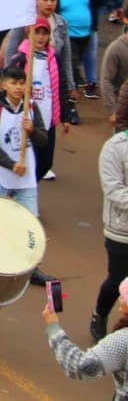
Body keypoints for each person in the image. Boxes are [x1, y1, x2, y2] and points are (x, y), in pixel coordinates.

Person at [0, 64, 48, 215]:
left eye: (22, 83)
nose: (18, 87)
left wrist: (32, 131)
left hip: (26, 174)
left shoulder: (31, 107)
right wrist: (11, 165)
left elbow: (43, 140)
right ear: (4, 85)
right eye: (13, 83)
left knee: (30, 220)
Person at [44, 281, 128, 398]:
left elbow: (82, 367)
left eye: (124, 296)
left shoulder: (122, 340)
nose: (120, 298)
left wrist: (53, 327)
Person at [95, 108, 128, 341]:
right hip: (122, 230)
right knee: (118, 281)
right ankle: (100, 314)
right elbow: (114, 190)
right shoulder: (114, 148)